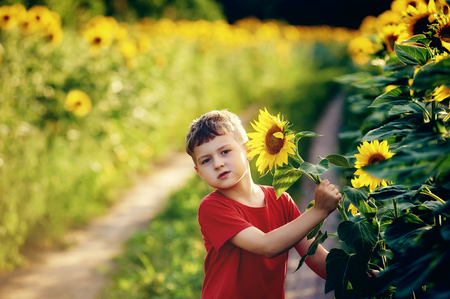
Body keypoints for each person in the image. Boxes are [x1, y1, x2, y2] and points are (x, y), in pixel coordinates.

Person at [185, 109, 342, 299]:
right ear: (199, 172)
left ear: (248, 150)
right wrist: (319, 210)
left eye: (225, 152)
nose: (218, 163)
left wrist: (365, 278)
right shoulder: (212, 207)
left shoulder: (281, 200)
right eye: (206, 160)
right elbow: (266, 246)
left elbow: (315, 257)